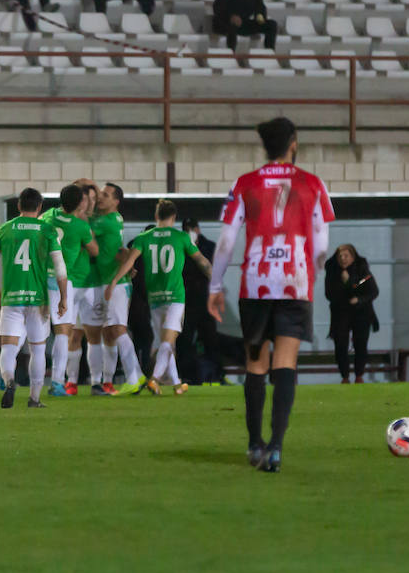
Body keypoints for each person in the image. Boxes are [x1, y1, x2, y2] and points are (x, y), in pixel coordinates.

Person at [208, 117, 335, 473]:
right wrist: (311, 270)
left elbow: (227, 241)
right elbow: (322, 243)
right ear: (293, 142)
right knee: (285, 364)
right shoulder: (312, 183)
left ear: (265, 144)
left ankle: (254, 444)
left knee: (256, 365)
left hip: (256, 283)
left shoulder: (245, 183)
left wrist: (215, 287)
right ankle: (276, 446)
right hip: (294, 282)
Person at [107, 200, 212, 395]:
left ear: (156, 216)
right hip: (175, 297)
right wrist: (215, 282)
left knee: (165, 340)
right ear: (173, 217)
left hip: (154, 297)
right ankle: (153, 379)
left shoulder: (144, 238)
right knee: (167, 340)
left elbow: (129, 262)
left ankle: (176, 383)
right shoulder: (181, 237)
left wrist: (114, 281)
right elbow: (202, 261)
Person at [0, 187, 67, 409]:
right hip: (37, 299)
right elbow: (60, 267)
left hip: (11, 298)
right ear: (39, 207)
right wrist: (63, 298)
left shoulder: (6, 229)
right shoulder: (47, 230)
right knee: (38, 349)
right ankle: (34, 398)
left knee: (9, 348)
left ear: (19, 206)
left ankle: (10, 381)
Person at [86, 182, 148, 395]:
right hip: (108, 279)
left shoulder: (107, 221)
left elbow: (84, 229)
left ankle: (133, 377)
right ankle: (136, 376)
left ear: (116, 202)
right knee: (110, 331)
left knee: (118, 329)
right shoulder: (113, 218)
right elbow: (118, 250)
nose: (100, 198)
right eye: (100, 194)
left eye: (105, 195)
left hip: (116, 283)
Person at [40, 184, 98, 398]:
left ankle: (6, 372)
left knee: (32, 328)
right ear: (80, 203)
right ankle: (57, 383)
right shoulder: (80, 226)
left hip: (40, 278)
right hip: (63, 280)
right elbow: (95, 250)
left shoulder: (48, 216)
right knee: (63, 331)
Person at [324, 245, 378, 384]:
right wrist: (343, 285)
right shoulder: (332, 271)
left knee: (361, 343)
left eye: (346, 256)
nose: (343, 259)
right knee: (341, 344)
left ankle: (359, 375)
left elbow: (371, 290)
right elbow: (329, 293)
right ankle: (345, 376)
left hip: (361, 312)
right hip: (340, 312)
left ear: (353, 257)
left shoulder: (363, 272)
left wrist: (357, 295)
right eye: (340, 256)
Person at [179, 217, 223, 385]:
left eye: (191, 227)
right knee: (185, 340)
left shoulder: (209, 246)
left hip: (205, 300)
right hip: (187, 300)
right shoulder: (181, 247)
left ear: (197, 229)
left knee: (210, 339)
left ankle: (217, 375)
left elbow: (212, 268)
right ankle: (188, 376)